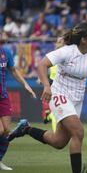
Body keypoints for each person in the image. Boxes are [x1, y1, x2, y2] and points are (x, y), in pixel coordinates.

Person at [8, 22, 87, 173]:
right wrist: (47, 86)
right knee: (79, 132)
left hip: (77, 99)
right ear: (83, 39)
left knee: (58, 142)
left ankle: (25, 129)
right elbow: (42, 65)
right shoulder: (67, 52)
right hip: (60, 93)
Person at [0, 41, 36, 170]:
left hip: (3, 96)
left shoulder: (5, 52)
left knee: (5, 131)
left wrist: (26, 85)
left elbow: (14, 70)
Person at [40, 36, 65, 132]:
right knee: (57, 110)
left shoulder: (66, 55)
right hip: (53, 83)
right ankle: (56, 134)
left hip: (63, 84)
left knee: (60, 110)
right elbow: (43, 66)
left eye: (62, 41)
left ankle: (49, 116)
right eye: (58, 41)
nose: (60, 43)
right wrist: (41, 78)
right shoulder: (53, 55)